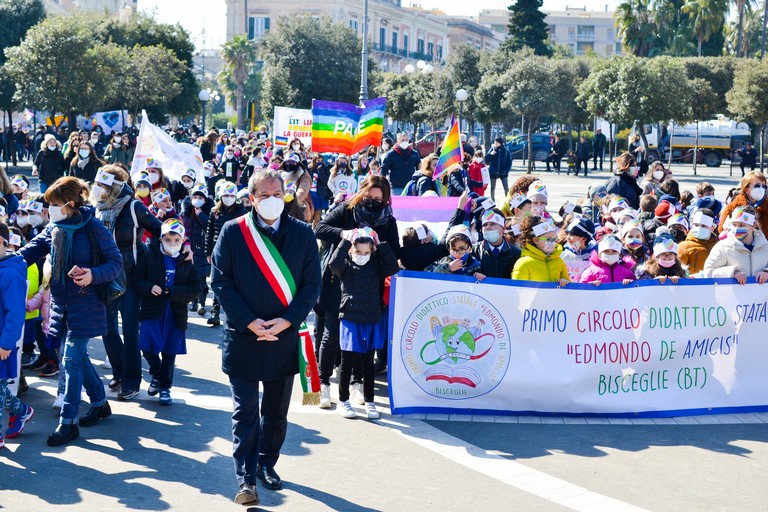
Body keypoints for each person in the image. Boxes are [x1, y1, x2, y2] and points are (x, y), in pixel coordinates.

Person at [211, 170, 321, 506]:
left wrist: (287, 321)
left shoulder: (302, 234)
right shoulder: (233, 231)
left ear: (286, 194)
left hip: (283, 339)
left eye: (278, 193)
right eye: (265, 193)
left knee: (275, 413)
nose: (272, 199)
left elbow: (311, 286)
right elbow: (220, 281)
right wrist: (249, 321)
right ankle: (245, 479)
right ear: (252, 197)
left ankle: (266, 463)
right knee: (245, 413)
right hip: (243, 336)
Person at [20, 176, 123, 446]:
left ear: (69, 204)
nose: (49, 209)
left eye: (54, 204)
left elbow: (115, 262)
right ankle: (100, 403)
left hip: (87, 302)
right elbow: (32, 249)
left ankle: (68, 423)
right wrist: (10, 260)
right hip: (61, 302)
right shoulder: (56, 227)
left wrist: (92, 274)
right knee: (77, 359)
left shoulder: (94, 227)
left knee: (70, 359)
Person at [315, 175, 400, 409]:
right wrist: (344, 234)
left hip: (370, 287)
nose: (372, 201)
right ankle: (322, 384)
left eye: (377, 198)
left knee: (361, 341)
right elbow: (320, 229)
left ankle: (356, 383)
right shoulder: (347, 209)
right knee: (331, 335)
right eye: (369, 196)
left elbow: (395, 250)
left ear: (385, 200)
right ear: (362, 192)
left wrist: (378, 243)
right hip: (339, 280)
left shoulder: (387, 220)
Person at [93, 166, 164, 399]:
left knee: (131, 330)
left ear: (114, 186)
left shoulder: (133, 207)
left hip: (131, 279)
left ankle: (132, 381)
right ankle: (119, 371)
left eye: (102, 185)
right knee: (107, 327)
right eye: (97, 184)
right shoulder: (98, 209)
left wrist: (150, 260)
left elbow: (160, 231)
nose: (97, 189)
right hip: (106, 277)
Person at [328, 227, 398, 419]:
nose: (362, 255)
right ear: (352, 250)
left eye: (366, 252)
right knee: (347, 362)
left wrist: (379, 243)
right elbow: (333, 263)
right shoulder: (345, 267)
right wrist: (345, 241)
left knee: (368, 362)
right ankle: (343, 401)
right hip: (350, 318)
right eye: (358, 251)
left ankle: (370, 402)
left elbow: (393, 267)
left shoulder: (376, 266)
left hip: (371, 318)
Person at [134, 219, 201, 406]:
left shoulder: (186, 260)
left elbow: (196, 287)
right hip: (153, 310)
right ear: (161, 238)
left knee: (169, 352)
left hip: (175, 312)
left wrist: (174, 292)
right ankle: (156, 373)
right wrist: (149, 287)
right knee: (146, 346)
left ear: (183, 240)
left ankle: (165, 387)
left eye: (176, 239)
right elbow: (137, 279)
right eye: (168, 239)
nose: (172, 243)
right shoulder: (150, 256)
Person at [0, 222, 34, 448]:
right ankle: (21, 411)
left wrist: (6, 343)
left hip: (1, 342)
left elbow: (15, 313)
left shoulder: (11, 274)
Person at [205, 181, 246, 326]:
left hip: (235, 251)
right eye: (225, 195)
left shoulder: (242, 212)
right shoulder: (214, 211)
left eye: (231, 195)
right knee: (217, 281)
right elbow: (209, 233)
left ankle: (232, 313)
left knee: (233, 283)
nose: (228, 198)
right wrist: (208, 252)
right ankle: (215, 312)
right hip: (218, 250)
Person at [704, 206, 768, 284]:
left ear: (753, 225)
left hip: (760, 295)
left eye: (741, 225)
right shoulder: (723, 247)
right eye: (734, 225)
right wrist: (732, 272)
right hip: (732, 295)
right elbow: (708, 272)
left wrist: (766, 272)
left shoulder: (765, 246)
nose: (737, 229)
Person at [511, 216, 569, 286]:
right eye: (549, 239)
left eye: (555, 239)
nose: (553, 243)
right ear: (536, 240)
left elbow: (569, 286)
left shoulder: (559, 261)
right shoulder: (524, 263)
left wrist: (566, 282)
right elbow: (518, 289)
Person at [181, 184, 211, 315]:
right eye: (195, 197)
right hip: (188, 248)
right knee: (189, 277)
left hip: (201, 250)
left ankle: (202, 302)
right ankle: (192, 301)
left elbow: (210, 228)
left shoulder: (208, 212)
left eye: (200, 197)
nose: (197, 199)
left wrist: (202, 216)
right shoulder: (185, 213)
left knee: (201, 278)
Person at [472, 209, 521, 280]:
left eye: (492, 224)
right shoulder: (473, 251)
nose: (488, 228)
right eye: (485, 225)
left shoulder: (516, 253)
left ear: (503, 228)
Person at [719, 171, 768, 237]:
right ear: (746, 189)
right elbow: (722, 228)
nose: (761, 189)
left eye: (764, 186)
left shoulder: (766, 207)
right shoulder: (734, 206)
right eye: (757, 186)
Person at [677, 209, 717, 275]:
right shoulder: (683, 246)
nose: (699, 228)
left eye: (704, 226)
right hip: (692, 284)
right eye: (696, 225)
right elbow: (678, 271)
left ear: (712, 228)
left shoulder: (717, 246)